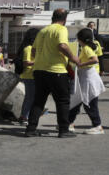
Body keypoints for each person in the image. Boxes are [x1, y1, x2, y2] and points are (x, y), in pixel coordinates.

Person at [24, 8, 81, 138]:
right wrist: (73, 58)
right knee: (62, 101)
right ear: (64, 20)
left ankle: (30, 129)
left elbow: (33, 51)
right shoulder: (61, 29)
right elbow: (62, 45)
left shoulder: (43, 31)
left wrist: (43, 56)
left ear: (52, 17)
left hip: (39, 70)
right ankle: (63, 130)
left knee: (38, 101)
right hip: (56, 70)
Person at [67, 28, 104, 134]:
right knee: (77, 101)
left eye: (78, 38)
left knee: (89, 104)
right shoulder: (85, 48)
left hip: (88, 80)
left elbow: (95, 60)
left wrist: (80, 64)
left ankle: (97, 126)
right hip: (85, 79)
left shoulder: (86, 48)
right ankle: (69, 123)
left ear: (81, 39)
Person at [17, 28, 39, 124]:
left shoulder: (32, 47)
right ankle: (24, 117)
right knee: (30, 98)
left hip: (32, 76)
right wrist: (38, 62)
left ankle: (25, 116)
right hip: (29, 76)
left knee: (31, 97)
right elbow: (26, 63)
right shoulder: (28, 48)